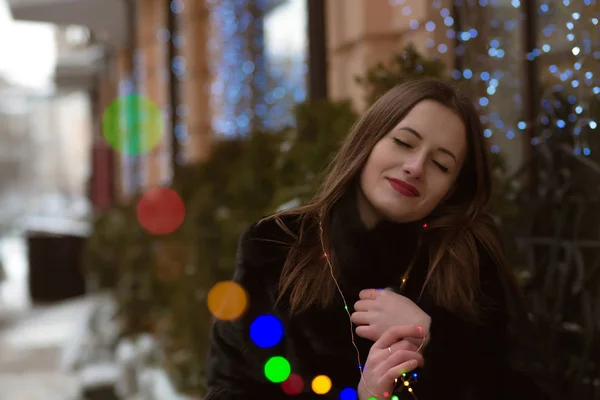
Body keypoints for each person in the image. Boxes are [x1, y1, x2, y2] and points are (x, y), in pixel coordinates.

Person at [205, 78, 545, 399]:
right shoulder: (275, 248)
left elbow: (519, 386)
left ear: (452, 189)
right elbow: (231, 388)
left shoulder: (468, 261)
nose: (415, 166)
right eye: (403, 142)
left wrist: (433, 345)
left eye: (441, 165)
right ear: (369, 140)